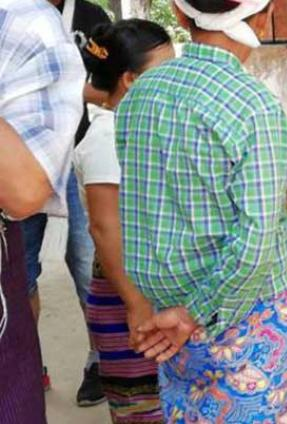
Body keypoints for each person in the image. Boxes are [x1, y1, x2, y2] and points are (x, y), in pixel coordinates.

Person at [118, 0, 287, 421]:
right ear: (263, 15)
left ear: (180, 16)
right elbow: (256, 240)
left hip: (168, 313)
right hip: (248, 315)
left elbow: (138, 209)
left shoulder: (139, 94)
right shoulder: (254, 106)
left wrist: (178, 311)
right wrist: (193, 314)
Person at [75, 19, 175, 423]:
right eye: (164, 71)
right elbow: (105, 229)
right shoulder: (106, 136)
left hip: (152, 291)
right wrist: (137, 306)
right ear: (131, 80)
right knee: (142, 411)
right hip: (127, 298)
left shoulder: (142, 128)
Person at [0, 0, 86, 421]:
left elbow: (23, 189)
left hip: (60, 159)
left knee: (83, 262)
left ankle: (95, 361)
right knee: (30, 272)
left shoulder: (27, 22)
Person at [22, 0, 111, 401]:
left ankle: (99, 361)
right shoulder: (11, 16)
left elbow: (109, 86)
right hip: (21, 164)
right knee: (19, 275)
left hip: (75, 158)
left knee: (87, 264)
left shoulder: (91, 18)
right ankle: (27, 363)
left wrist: (63, 86)